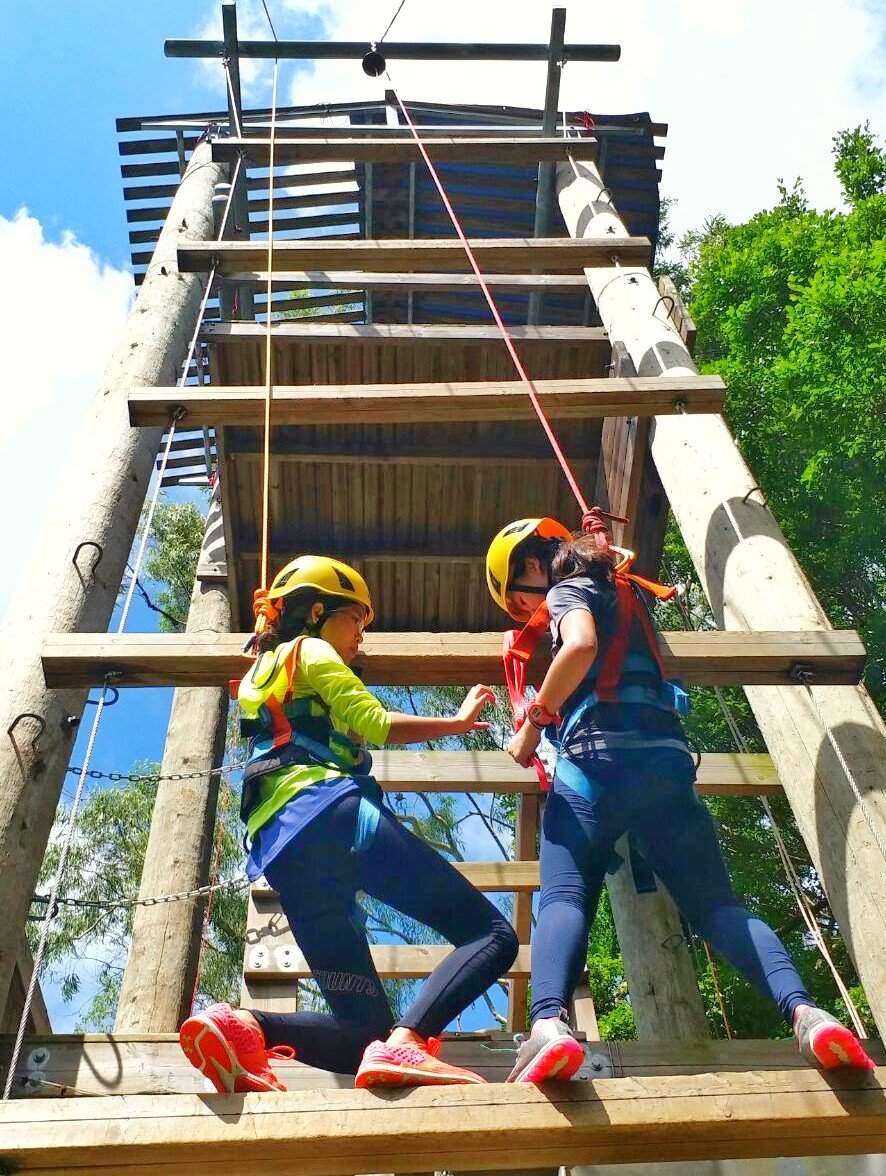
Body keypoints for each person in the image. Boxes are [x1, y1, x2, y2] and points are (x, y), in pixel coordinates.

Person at [485, 517, 875, 1083]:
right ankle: (807, 1013)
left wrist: (535, 720)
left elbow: (581, 644)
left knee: (565, 896)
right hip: (667, 766)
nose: (530, 618)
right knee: (718, 907)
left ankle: (548, 1025)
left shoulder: (569, 589)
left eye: (522, 605)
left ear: (531, 569)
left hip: (596, 760)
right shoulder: (628, 594)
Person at [179, 555, 518, 1093]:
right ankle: (411, 1042)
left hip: (283, 853)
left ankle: (246, 1027)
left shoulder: (258, 676)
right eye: (356, 619)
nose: (362, 635)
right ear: (317, 611)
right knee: (492, 935)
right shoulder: (311, 650)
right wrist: (457, 722)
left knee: (364, 1034)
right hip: (333, 815)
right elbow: (376, 723)